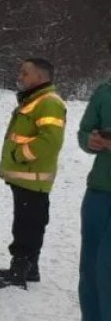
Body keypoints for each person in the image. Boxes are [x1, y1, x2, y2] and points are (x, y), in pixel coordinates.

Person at [0, 58, 66, 290]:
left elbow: (50, 141)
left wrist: (20, 155)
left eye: (25, 73)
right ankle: (30, 268)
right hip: (27, 178)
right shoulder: (35, 100)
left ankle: (19, 271)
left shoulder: (48, 102)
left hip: (33, 178)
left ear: (40, 77)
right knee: (29, 222)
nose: (20, 76)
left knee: (27, 225)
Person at [76, 77, 111, 320]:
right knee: (91, 268)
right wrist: (90, 140)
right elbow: (84, 131)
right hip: (100, 190)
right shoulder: (104, 92)